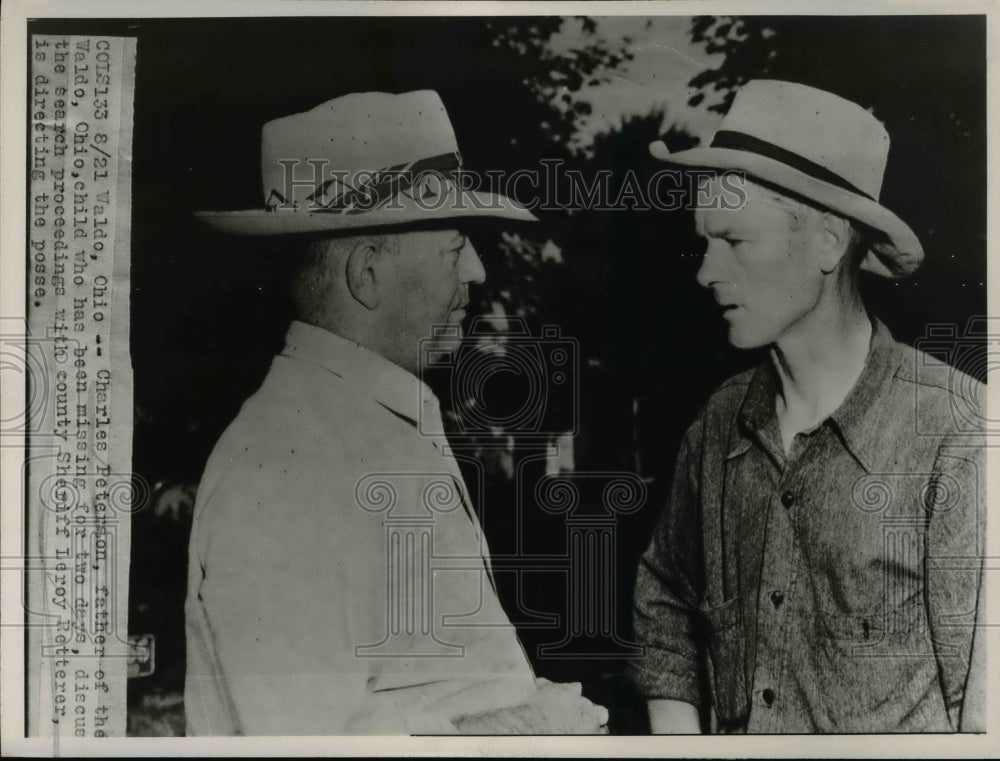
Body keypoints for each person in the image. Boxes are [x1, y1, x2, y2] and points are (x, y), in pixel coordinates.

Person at [184, 90, 608, 735]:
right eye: (453, 247)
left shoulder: (366, 424)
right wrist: (528, 728)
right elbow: (301, 737)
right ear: (368, 274)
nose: (477, 269)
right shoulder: (280, 466)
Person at [629, 80, 985, 734]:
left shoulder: (958, 435)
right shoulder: (718, 424)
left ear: (828, 242)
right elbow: (663, 601)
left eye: (733, 241)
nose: (707, 271)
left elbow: (986, 718)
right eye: (705, 242)